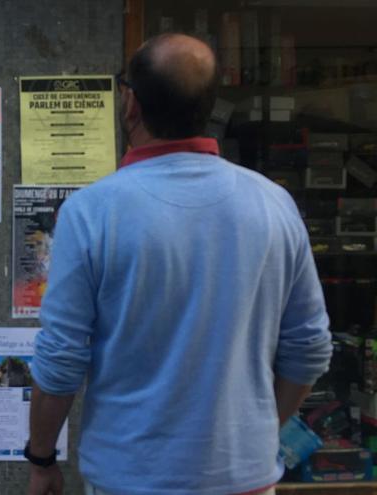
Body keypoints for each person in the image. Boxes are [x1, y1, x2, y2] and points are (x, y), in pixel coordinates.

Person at [26, 33, 332, 495]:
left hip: (130, 478)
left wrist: (42, 459)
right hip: (245, 478)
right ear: (208, 105)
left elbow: (61, 359)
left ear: (131, 104)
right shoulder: (274, 204)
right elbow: (309, 348)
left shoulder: (92, 212)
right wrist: (254, 433)